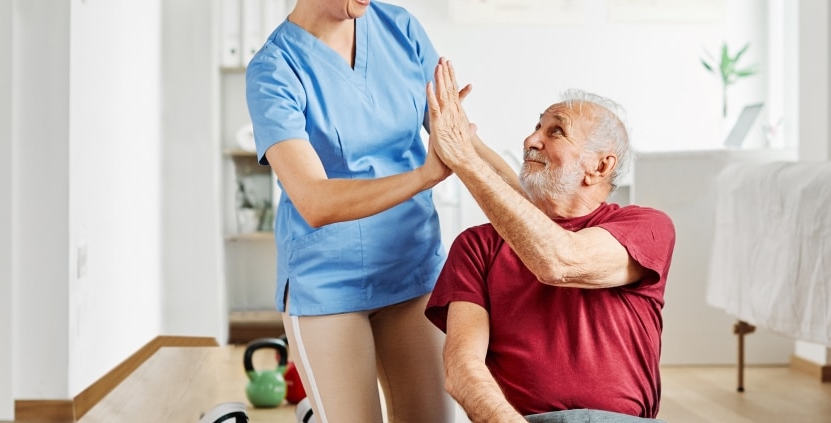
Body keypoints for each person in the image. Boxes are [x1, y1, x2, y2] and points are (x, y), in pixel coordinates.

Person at [243, 2, 514, 422]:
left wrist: (539, 211)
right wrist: (425, 175)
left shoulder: (399, 28)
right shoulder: (274, 69)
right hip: (326, 284)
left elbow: (464, 144)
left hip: (412, 267)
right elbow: (314, 200)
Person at [423, 58, 676, 423]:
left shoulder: (646, 227)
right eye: (536, 127)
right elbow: (462, 367)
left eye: (556, 131)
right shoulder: (478, 246)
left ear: (601, 167)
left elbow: (559, 261)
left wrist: (465, 156)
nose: (531, 140)